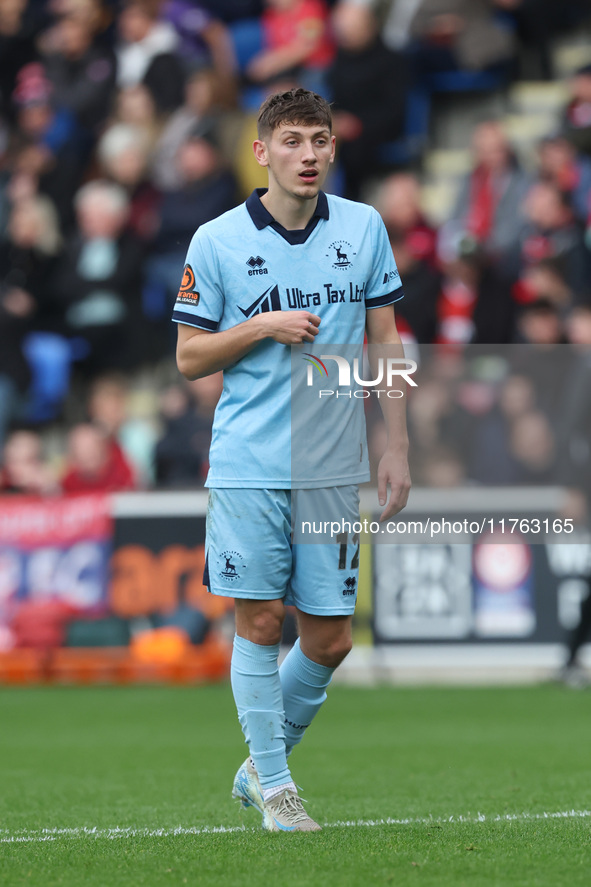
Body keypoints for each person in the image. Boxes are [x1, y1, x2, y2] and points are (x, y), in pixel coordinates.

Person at [173, 87, 410, 832]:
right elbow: (188, 356)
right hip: (247, 461)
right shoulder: (214, 240)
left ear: (333, 148)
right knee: (261, 619)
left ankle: (255, 765)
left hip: (334, 461)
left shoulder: (365, 227)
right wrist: (260, 325)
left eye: (319, 141)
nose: (307, 155)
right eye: (292, 141)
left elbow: (385, 339)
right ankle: (277, 788)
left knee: (331, 637)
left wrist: (395, 438)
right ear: (261, 150)